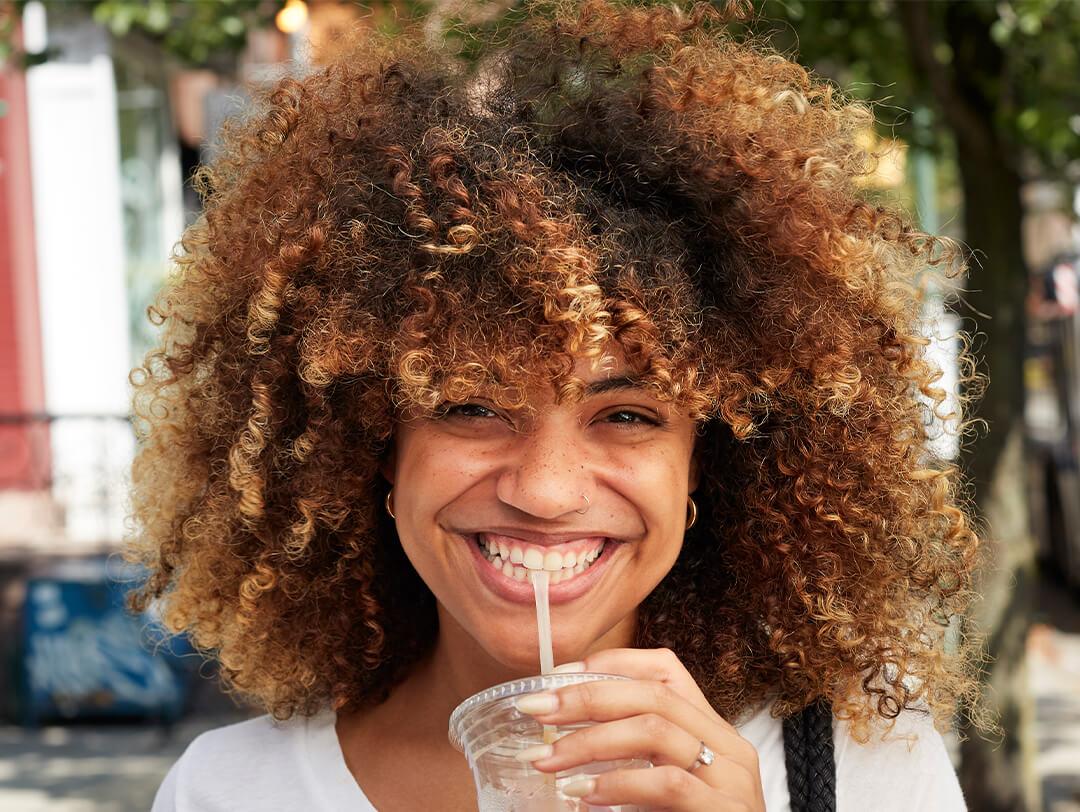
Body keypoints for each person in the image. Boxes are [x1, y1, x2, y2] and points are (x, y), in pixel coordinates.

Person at [133, 2, 983, 809]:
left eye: (626, 416)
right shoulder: (228, 793)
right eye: (471, 406)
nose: (544, 491)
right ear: (375, 451)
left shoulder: (861, 767)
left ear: (703, 467)